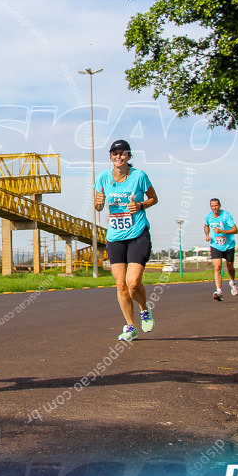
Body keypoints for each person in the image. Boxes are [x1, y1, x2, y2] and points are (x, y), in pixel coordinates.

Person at [94, 139, 159, 342]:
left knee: (132, 282)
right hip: (115, 237)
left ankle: (144, 309)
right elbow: (97, 206)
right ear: (110, 156)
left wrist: (139, 205)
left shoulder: (139, 176)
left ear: (129, 156)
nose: (118, 156)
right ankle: (130, 326)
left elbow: (153, 198)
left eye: (122, 153)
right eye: (115, 153)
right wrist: (98, 203)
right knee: (121, 285)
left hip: (138, 234)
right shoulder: (103, 178)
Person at [204, 198, 238, 300]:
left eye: (216, 205)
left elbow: (236, 230)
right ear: (210, 207)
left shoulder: (226, 215)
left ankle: (232, 282)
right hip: (215, 245)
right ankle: (219, 291)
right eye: (212, 206)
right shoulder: (208, 216)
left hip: (228, 245)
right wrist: (207, 235)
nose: (214, 208)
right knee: (217, 267)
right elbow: (206, 226)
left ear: (220, 205)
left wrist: (221, 231)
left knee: (230, 266)